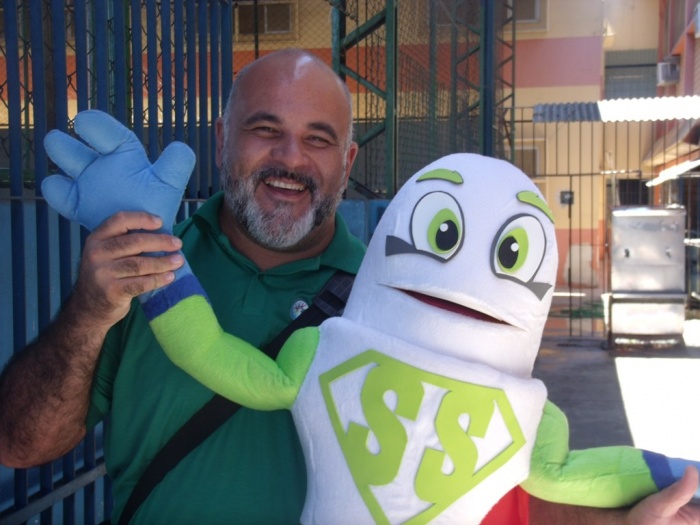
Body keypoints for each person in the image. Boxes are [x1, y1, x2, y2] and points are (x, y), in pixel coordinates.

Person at [0, 48, 698, 525]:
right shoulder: (145, 267)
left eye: (318, 138)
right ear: (222, 139)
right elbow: (19, 445)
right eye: (264, 129)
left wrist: (630, 516)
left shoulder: (398, 298)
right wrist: (90, 311)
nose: (290, 158)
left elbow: (498, 490)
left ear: (348, 159)